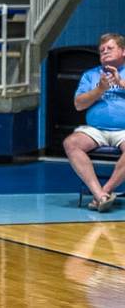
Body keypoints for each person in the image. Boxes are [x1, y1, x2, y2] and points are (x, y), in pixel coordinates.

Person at [63, 32, 125, 212]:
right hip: (96, 129)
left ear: (123, 51)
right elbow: (78, 105)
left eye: (110, 48)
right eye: (102, 50)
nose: (104, 52)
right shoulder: (90, 75)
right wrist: (99, 89)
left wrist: (120, 83)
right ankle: (99, 194)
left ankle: (104, 192)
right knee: (71, 143)